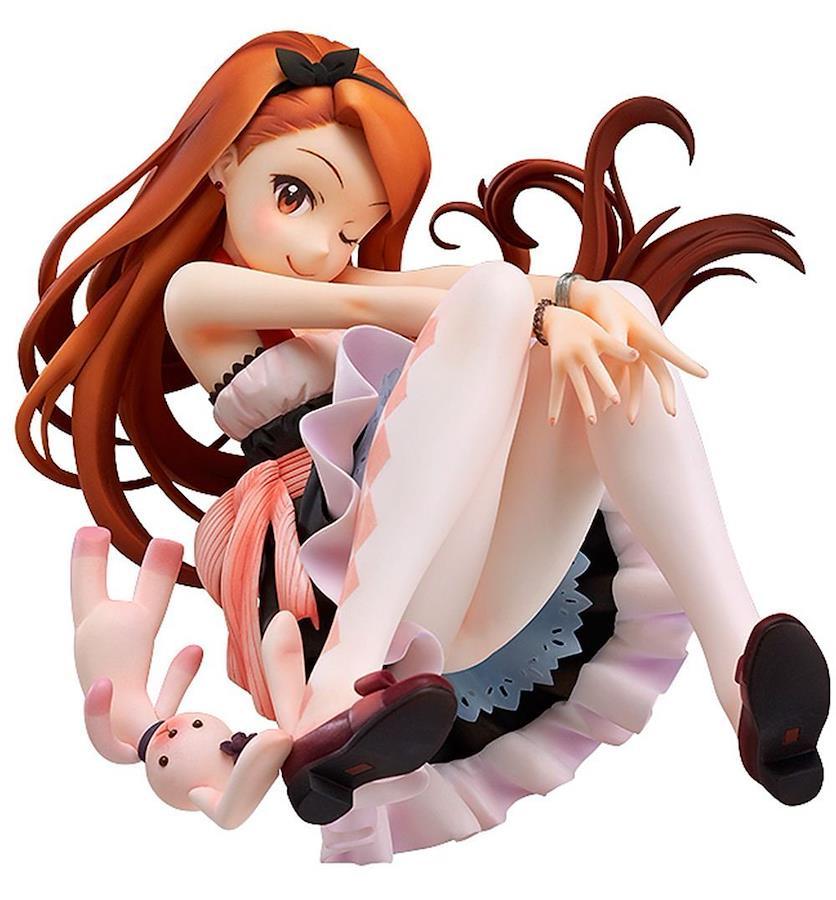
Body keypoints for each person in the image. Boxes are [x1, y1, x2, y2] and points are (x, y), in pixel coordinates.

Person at [17, 31, 829, 859]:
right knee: (498, 296)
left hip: (465, 596)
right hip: (332, 581)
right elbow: (376, 305)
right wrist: (544, 306)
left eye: (351, 231)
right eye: (294, 194)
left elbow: (421, 294)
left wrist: (589, 297)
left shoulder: (344, 280)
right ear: (224, 162)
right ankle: (343, 686)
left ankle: (743, 670)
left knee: (618, 317)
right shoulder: (200, 294)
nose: (322, 249)